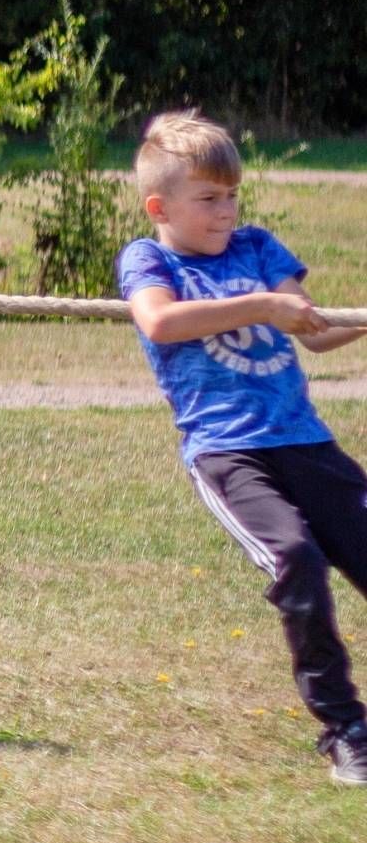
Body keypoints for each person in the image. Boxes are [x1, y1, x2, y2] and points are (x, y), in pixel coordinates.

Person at [119, 110, 367, 786]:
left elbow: (312, 330)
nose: (225, 210)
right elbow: (161, 322)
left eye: (231, 195)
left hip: (304, 440)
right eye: (207, 199)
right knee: (296, 559)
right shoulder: (149, 259)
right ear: (159, 207)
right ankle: (346, 727)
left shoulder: (257, 247)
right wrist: (260, 307)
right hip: (229, 454)